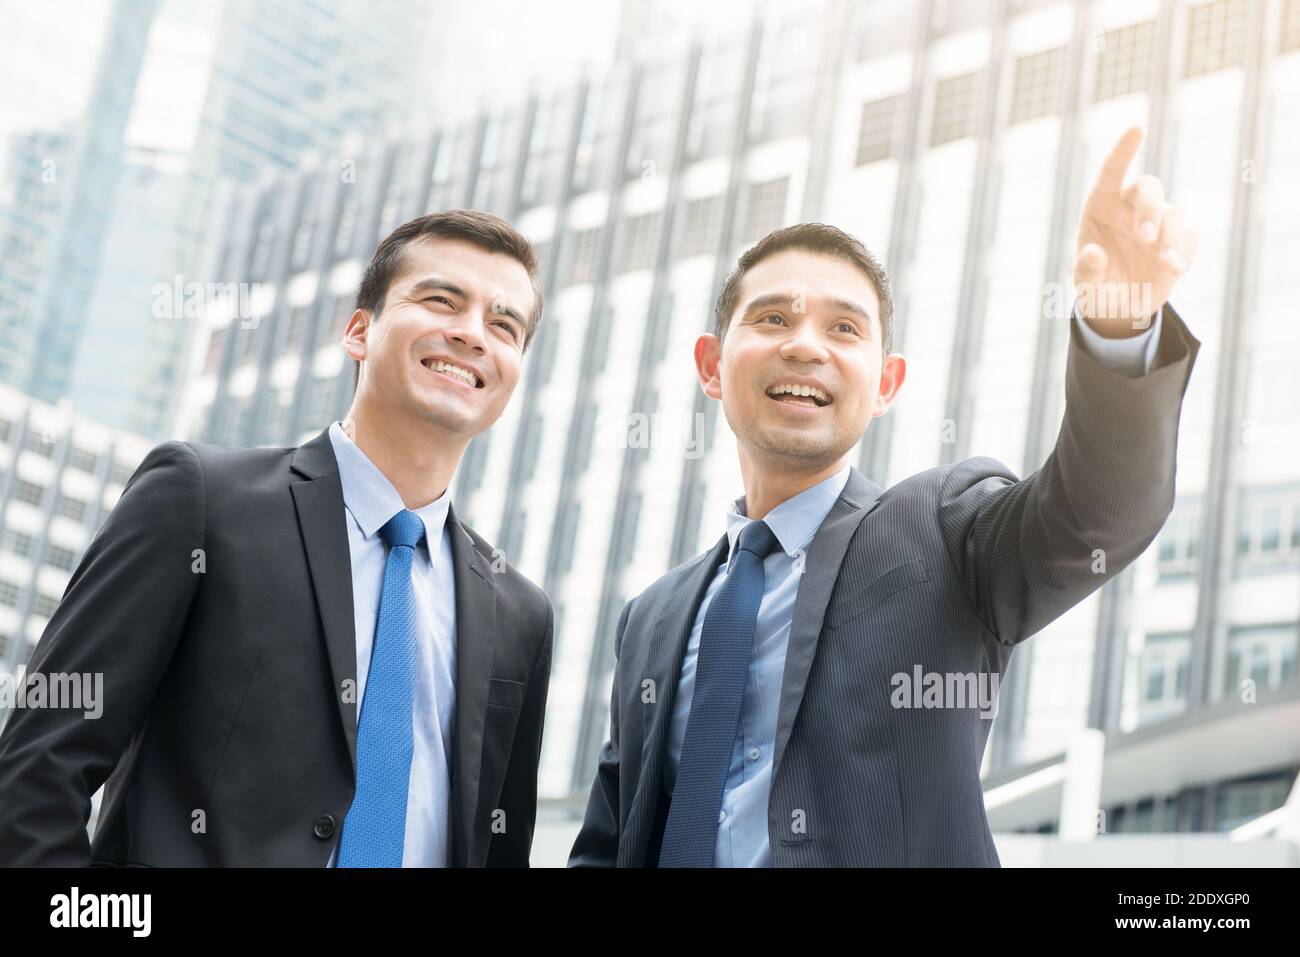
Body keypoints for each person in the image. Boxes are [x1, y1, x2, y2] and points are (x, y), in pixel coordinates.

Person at [569, 126, 1200, 867]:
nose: (806, 345)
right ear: (711, 364)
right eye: (773, 317)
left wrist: (1118, 329)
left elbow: (1100, 511)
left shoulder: (946, 532)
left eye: (844, 327)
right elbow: (609, 845)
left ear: (886, 385)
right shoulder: (651, 618)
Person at [0, 209, 553, 867]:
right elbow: (37, 770)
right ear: (359, 330)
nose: (470, 334)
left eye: (503, 324)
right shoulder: (201, 500)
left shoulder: (521, 614)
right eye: (442, 301)